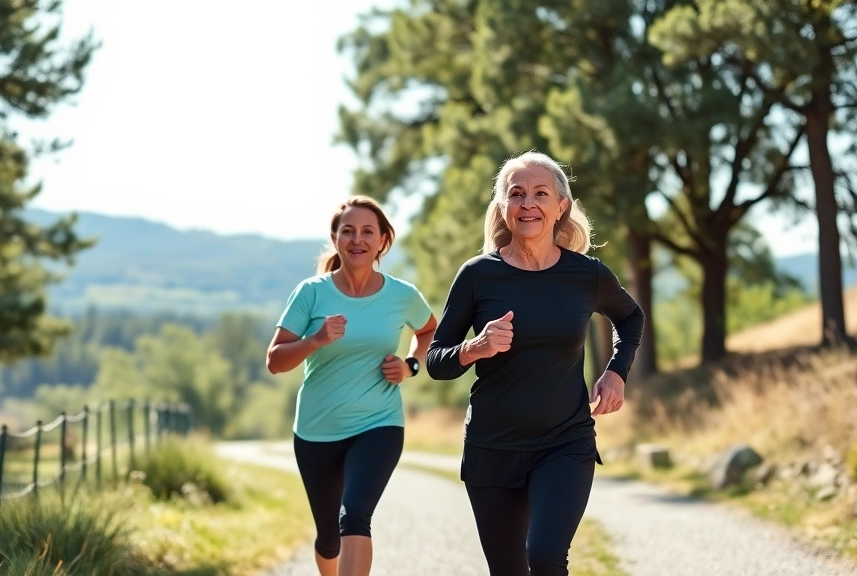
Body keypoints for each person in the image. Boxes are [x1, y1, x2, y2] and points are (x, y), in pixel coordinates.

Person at [426, 151, 644, 576]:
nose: (528, 204)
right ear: (503, 208)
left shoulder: (586, 275)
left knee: (544, 557)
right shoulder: (477, 275)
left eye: (540, 194)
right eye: (516, 194)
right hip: (493, 448)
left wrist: (617, 372)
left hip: (564, 442)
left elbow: (631, 317)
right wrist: (475, 348)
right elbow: (436, 359)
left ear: (561, 205)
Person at [265, 195, 437, 576]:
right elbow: (275, 360)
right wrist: (315, 340)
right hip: (316, 430)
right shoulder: (311, 292)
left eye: (367, 232)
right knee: (329, 537)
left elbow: (429, 331)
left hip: (379, 423)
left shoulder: (402, 295)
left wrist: (410, 366)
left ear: (382, 241)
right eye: (348, 231)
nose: (357, 239)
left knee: (355, 515)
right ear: (335, 238)